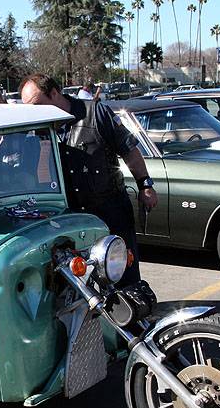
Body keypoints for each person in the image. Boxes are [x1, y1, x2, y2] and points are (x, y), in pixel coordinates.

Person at [20, 73, 158, 286]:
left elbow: (129, 150)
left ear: (54, 93)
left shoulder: (95, 113)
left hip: (111, 214)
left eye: (36, 104)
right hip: (72, 222)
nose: (34, 112)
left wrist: (145, 184)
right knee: (80, 287)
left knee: (124, 278)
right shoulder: (40, 130)